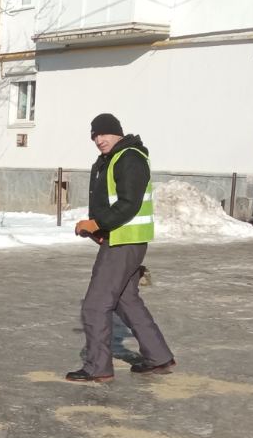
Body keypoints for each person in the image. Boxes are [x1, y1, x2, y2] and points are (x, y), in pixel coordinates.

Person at [66, 114, 175, 383]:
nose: (99, 140)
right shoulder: (114, 158)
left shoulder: (129, 158)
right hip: (122, 238)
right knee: (127, 301)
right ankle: (159, 357)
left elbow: (129, 203)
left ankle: (97, 367)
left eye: (103, 134)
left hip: (124, 242)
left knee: (95, 305)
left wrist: (97, 223)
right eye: (94, 136)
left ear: (117, 133)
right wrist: (99, 229)